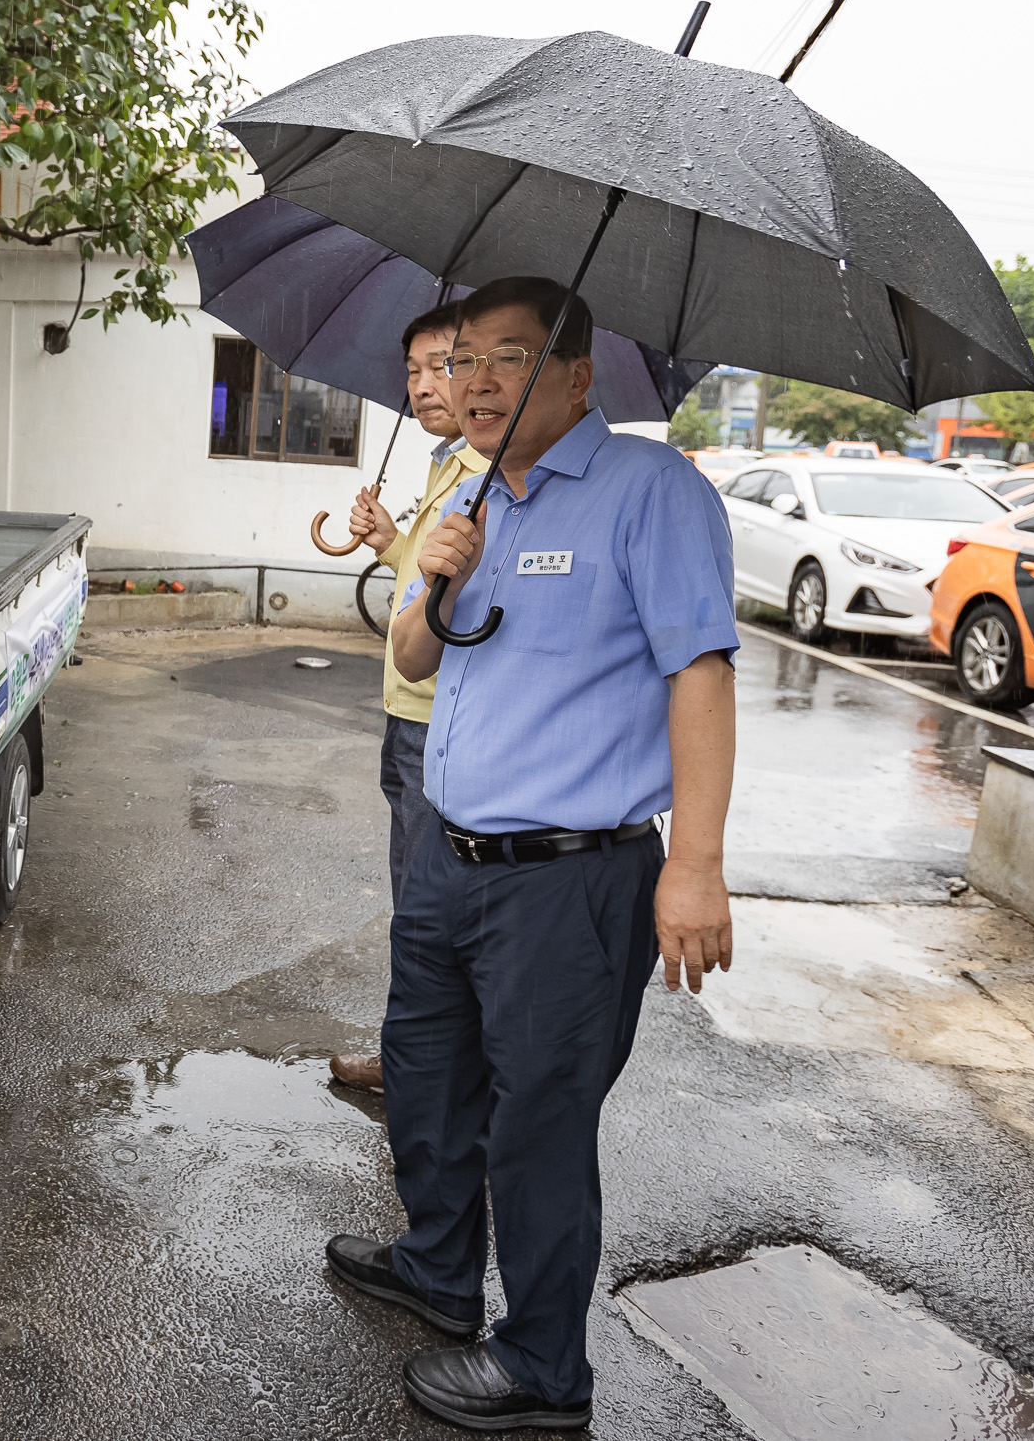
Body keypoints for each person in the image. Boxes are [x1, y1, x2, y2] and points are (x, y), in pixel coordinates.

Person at [322, 276, 739, 1433]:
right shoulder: (470, 492)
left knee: (538, 1121)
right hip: (448, 856)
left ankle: (545, 1363)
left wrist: (693, 865)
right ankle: (437, 1266)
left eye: (510, 357)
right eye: (462, 362)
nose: (477, 382)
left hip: (569, 878)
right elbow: (413, 645)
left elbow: (699, 674)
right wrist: (440, 563)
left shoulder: (646, 493)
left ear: (575, 372)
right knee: (426, 1071)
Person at [327, 303, 487, 1093]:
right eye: (415, 372)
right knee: (412, 898)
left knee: (427, 910)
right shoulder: (446, 463)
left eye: (443, 367)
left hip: (436, 721)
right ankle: (413, 1055)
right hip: (406, 714)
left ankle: (421, 1068)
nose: (425, 387)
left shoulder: (484, 473)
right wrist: (391, 541)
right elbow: (430, 584)